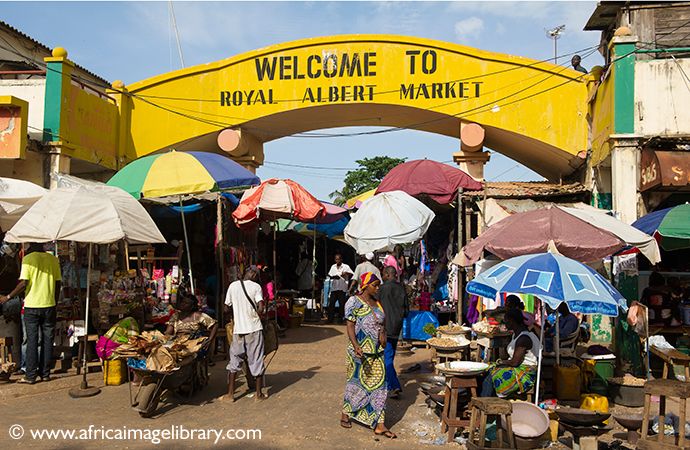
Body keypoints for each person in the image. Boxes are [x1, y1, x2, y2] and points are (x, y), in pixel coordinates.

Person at [340, 272, 396, 439]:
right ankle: (346, 413)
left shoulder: (377, 302)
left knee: (380, 386)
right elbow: (350, 326)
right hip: (360, 352)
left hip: (377, 352)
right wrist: (356, 345)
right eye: (375, 285)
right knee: (356, 384)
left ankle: (380, 424)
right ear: (365, 286)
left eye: (379, 285)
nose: (378, 288)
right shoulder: (354, 301)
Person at [0, 243, 61, 384]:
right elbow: (58, 284)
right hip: (49, 305)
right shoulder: (53, 259)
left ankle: (30, 375)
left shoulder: (28, 259)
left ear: (31, 245)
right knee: (47, 340)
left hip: (32, 306)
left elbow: (23, 283)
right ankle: (45, 374)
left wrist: (8, 297)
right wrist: (55, 302)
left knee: (32, 340)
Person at [222, 266, 267, 402]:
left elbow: (225, 308)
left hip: (238, 329)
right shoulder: (256, 287)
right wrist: (257, 313)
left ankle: (230, 395)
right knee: (256, 359)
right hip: (253, 328)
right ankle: (258, 395)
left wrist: (237, 313)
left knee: (234, 360)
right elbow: (260, 307)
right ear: (253, 274)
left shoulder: (233, 286)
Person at [481, 308, 541, 398]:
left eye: (506, 321)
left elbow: (515, 362)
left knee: (491, 374)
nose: (505, 324)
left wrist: (500, 362)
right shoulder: (515, 334)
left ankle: (484, 402)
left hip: (524, 372)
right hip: (517, 367)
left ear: (512, 321)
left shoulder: (523, 339)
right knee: (486, 369)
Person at [378, 266, 408, 398]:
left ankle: (395, 385)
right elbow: (406, 312)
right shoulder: (401, 289)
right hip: (397, 327)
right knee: (390, 355)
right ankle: (389, 384)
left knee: (387, 357)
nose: (383, 277)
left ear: (388, 275)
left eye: (384, 275)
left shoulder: (382, 289)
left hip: (385, 327)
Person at [327, 254, 353, 323]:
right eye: (336, 259)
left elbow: (352, 274)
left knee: (342, 305)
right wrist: (334, 276)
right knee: (331, 304)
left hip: (342, 288)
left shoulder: (346, 266)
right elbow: (330, 275)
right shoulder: (333, 267)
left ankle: (341, 319)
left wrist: (346, 273)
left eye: (338, 259)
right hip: (334, 288)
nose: (337, 261)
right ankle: (330, 319)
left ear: (341, 259)